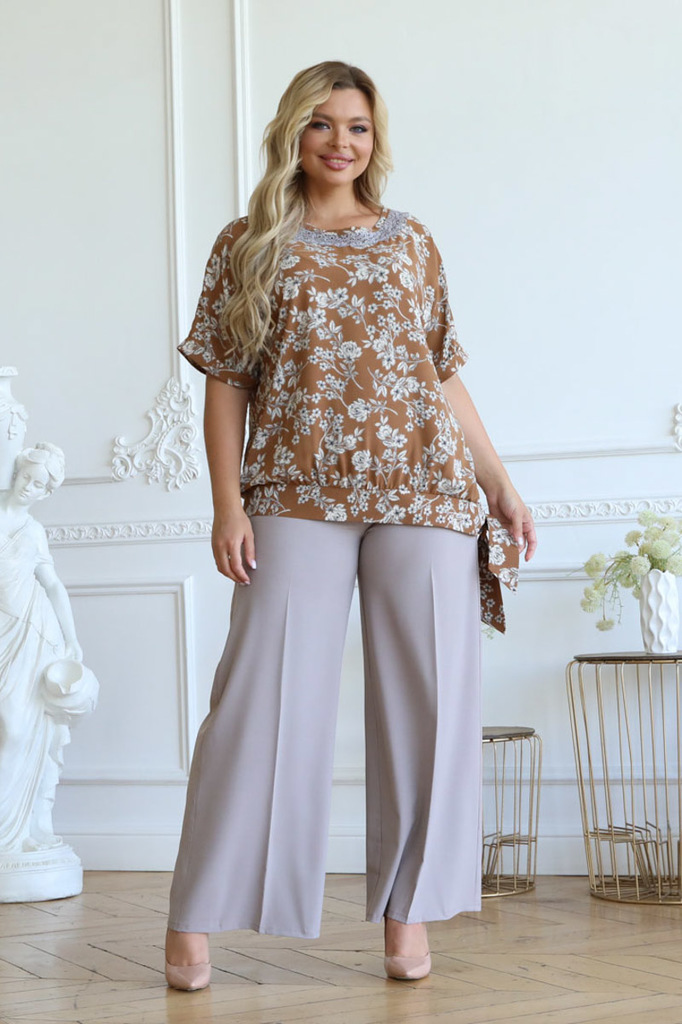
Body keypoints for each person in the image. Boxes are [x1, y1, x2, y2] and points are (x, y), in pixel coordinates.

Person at [165, 60, 536, 990]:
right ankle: (197, 912)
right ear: (293, 133)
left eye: (358, 126)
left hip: (425, 490)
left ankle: (409, 915)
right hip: (294, 492)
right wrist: (227, 504)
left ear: (376, 139)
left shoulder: (413, 242)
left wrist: (497, 481)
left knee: (429, 704)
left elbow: (440, 371)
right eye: (323, 123)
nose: (341, 142)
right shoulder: (248, 243)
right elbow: (226, 382)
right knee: (259, 700)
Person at [0, 443, 83, 854]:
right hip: (3, 632)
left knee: (20, 728)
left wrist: (71, 638)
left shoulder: (33, 532)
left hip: (33, 633)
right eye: (26, 477)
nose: (28, 487)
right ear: (16, 473)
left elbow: (52, 585)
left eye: (38, 485)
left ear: (46, 492)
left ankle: (17, 830)